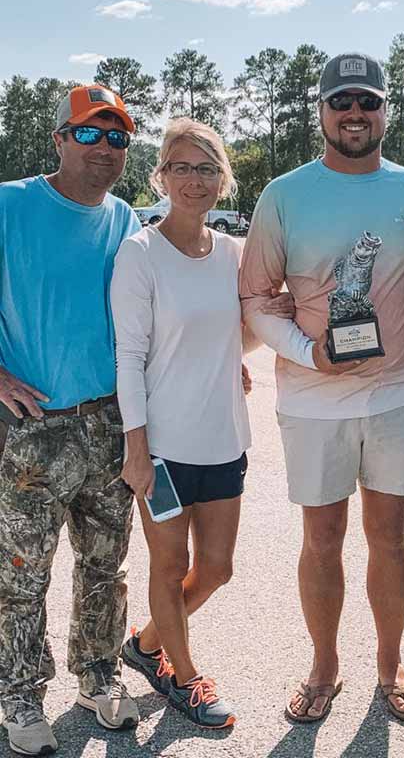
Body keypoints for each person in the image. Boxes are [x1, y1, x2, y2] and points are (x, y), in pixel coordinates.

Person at [239, 53, 404, 723]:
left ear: (386, 110)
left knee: (390, 538)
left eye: (368, 101)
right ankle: (324, 666)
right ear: (321, 111)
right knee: (321, 539)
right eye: (342, 101)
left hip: (397, 396)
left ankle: (390, 663)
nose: (355, 113)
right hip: (311, 400)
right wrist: (308, 351)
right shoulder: (285, 194)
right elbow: (257, 297)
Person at [110, 118, 289, 729]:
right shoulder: (139, 253)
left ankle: (146, 642)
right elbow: (129, 357)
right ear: (160, 176)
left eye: (207, 168)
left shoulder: (234, 255)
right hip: (160, 449)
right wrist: (136, 446)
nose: (194, 179)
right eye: (181, 167)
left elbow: (237, 336)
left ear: (223, 180)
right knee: (167, 564)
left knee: (216, 567)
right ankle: (184, 678)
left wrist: (250, 344)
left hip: (224, 440)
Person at [0, 85, 141, 755]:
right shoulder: (10, 204)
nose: (104, 149)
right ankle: (19, 696)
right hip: (32, 428)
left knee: (106, 566)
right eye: (89, 134)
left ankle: (100, 676)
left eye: (117, 137)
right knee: (21, 572)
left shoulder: (127, 221)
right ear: (58, 139)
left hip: (108, 424)